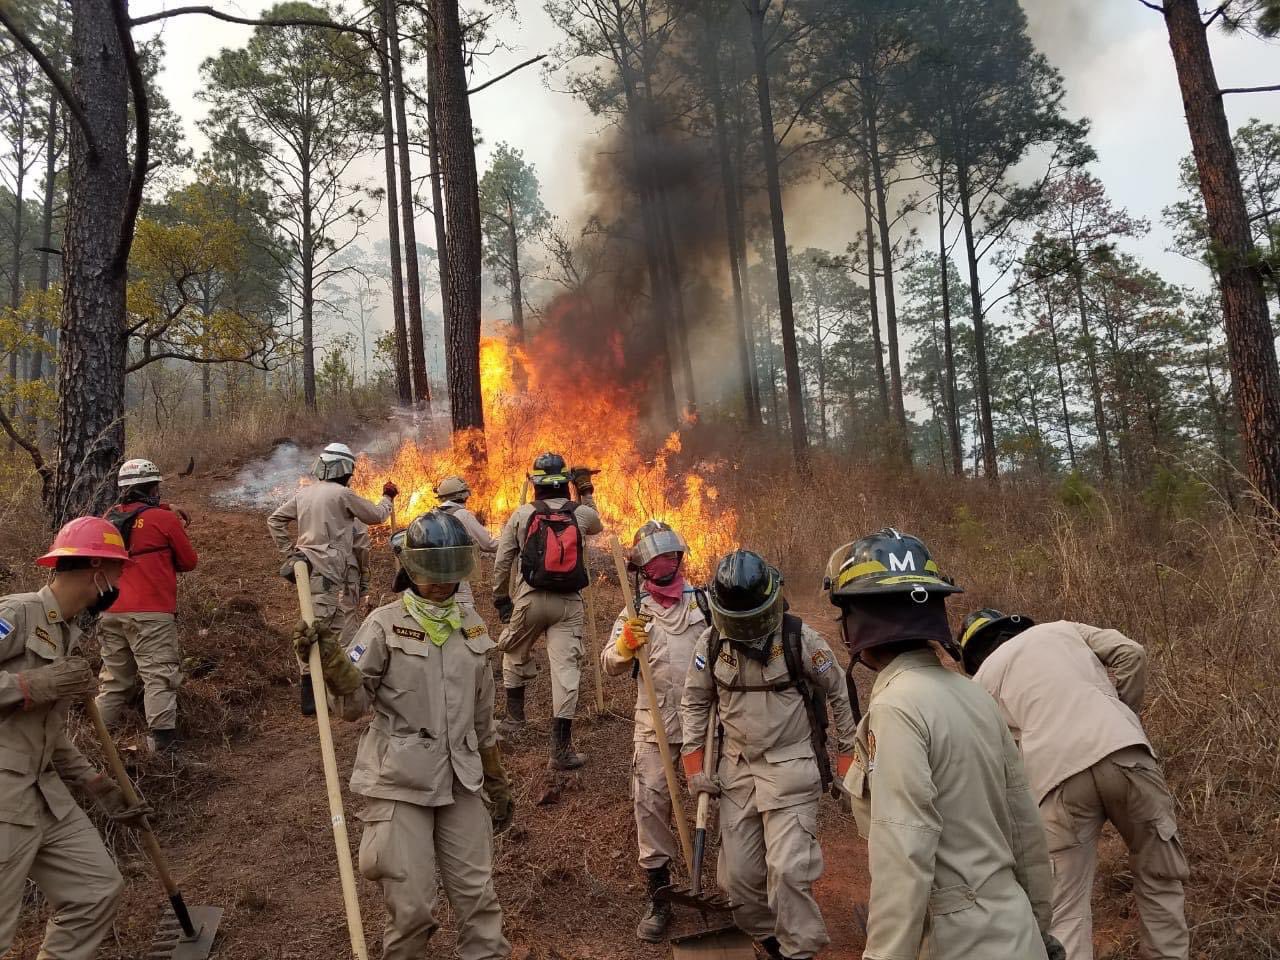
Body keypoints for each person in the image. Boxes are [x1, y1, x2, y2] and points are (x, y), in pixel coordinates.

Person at [827, 529, 1061, 960]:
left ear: (856, 623)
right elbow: (1026, 828)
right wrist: (1039, 930)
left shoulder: (897, 709)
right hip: (1016, 935)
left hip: (955, 945)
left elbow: (904, 853)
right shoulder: (975, 696)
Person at [294, 509, 513, 960]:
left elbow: (482, 716)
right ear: (411, 569)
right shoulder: (383, 623)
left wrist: (495, 776)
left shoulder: (472, 626)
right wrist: (335, 668)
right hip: (399, 782)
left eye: (449, 574)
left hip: (462, 782)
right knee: (412, 911)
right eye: (431, 574)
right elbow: (354, 708)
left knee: (480, 904)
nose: (441, 584)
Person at [957, 610, 1189, 960]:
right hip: (1126, 752)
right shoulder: (1061, 629)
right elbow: (1132, 653)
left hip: (1056, 779)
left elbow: (987, 759)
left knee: (1064, 910)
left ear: (973, 657)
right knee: (1161, 880)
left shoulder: (981, 682)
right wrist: (1123, 717)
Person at [681, 549, 857, 960]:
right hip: (737, 769)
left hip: (791, 765)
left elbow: (839, 693)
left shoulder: (801, 639)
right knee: (737, 880)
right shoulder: (711, 643)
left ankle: (800, 951)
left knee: (789, 871)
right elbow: (694, 702)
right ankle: (773, 941)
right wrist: (694, 769)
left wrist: (848, 762)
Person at [0, 518, 152, 958]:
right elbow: (31, 691)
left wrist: (97, 785)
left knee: (95, 890)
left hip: (43, 789)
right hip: (4, 792)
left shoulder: (67, 632)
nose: (121, 580)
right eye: (118, 570)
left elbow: (47, 733)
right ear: (96, 570)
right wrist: (33, 685)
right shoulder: (17, 613)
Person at [601, 521, 707, 942]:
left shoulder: (703, 604)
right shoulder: (634, 611)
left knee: (717, 797)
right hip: (654, 725)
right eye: (656, 559)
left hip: (704, 726)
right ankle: (660, 897)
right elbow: (609, 663)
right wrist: (626, 645)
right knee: (650, 805)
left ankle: (732, 882)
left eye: (671, 557)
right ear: (642, 567)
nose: (665, 565)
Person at [267, 441, 397, 715]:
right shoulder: (342, 495)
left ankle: (330, 690)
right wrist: (387, 498)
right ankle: (311, 698)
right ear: (345, 470)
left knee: (331, 624)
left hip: (312, 570)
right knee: (316, 627)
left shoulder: (305, 493)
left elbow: (275, 520)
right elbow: (375, 517)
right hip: (328, 570)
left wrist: (291, 553)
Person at [491, 452, 602, 770]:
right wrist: (586, 489)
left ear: (536, 484)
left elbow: (502, 562)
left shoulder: (522, 514)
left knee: (512, 648)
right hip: (569, 603)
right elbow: (596, 524)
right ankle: (561, 749)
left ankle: (514, 718)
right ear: (565, 483)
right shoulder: (579, 512)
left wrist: (501, 599)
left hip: (530, 598)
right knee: (566, 670)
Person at [95, 458, 199, 753]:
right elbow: (189, 562)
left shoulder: (107, 518)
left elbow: (135, 518)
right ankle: (165, 752)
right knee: (159, 677)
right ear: (151, 488)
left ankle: (92, 744)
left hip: (111, 611)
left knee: (115, 681)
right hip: (151, 613)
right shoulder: (163, 521)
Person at [435, 475, 497, 609]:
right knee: (465, 622)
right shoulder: (462, 514)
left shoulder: (433, 514)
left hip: (432, 581)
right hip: (457, 582)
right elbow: (488, 544)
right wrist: (511, 541)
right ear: (463, 495)